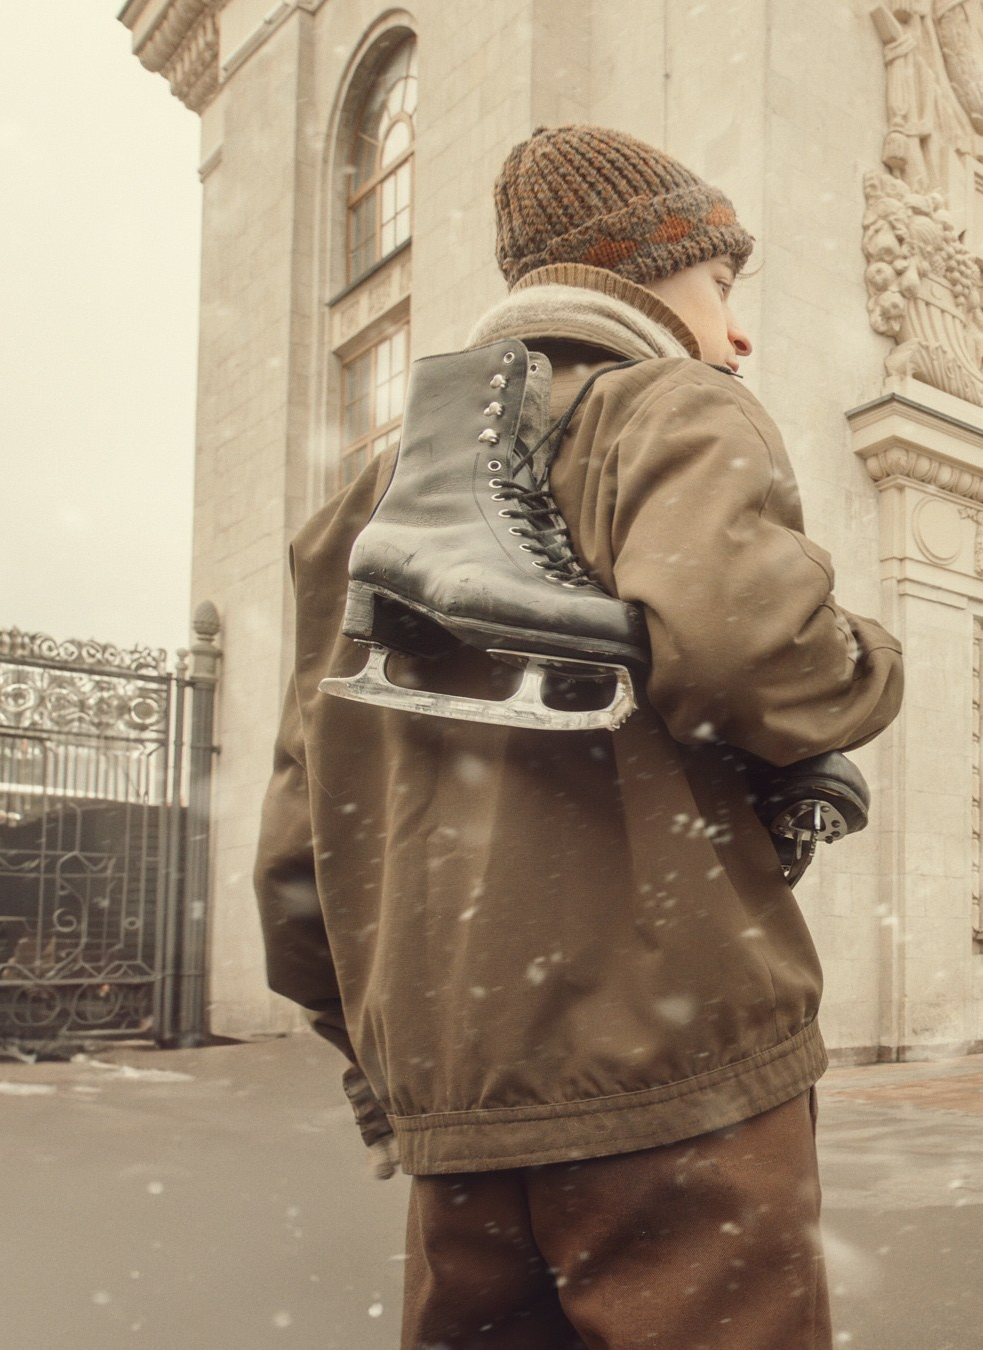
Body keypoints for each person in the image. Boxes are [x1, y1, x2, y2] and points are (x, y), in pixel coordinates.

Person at [254, 124, 902, 1349]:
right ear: (644, 275)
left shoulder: (357, 516)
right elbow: (750, 653)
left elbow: (298, 856)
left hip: (460, 1109)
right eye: (721, 285)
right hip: (678, 1080)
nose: (737, 332)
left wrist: (400, 1067)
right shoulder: (672, 408)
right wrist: (872, 662)